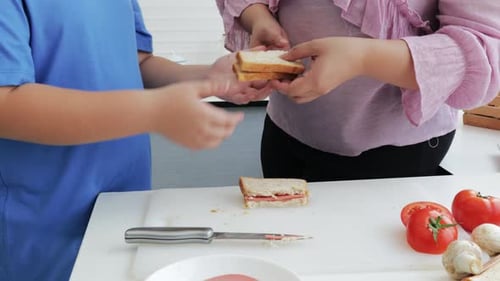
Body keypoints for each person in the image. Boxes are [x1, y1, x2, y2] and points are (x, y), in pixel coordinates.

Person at [0, 1, 271, 280]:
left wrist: (210, 78)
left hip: (126, 210)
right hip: (44, 230)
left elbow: (137, 63)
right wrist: (154, 110)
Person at [216, 0, 500, 181]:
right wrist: (258, 16)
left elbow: (483, 47)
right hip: (287, 132)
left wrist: (364, 59)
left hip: (400, 150)